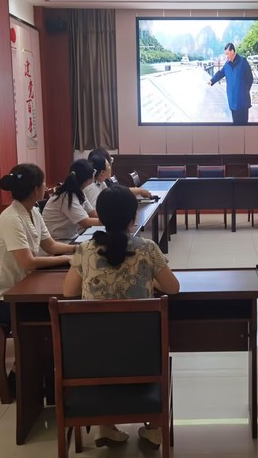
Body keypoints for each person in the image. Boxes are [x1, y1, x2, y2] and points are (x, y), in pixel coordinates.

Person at [63, 185, 180, 448]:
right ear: (133, 218)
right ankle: (153, 429)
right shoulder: (147, 249)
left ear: (101, 218)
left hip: (91, 361)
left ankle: (105, 425)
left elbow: (68, 291)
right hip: (143, 359)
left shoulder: (85, 250)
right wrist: (149, 279)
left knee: (104, 339)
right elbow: (173, 287)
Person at [0, 164, 76, 326]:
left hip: (19, 288)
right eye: (43, 184)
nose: (46, 187)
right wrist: (67, 259)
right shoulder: (11, 219)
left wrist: (78, 249)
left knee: (64, 305)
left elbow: (50, 246)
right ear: (36, 189)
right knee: (60, 311)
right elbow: (28, 262)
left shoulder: (33, 210)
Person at [42, 159, 101, 241]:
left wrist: (111, 218)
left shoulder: (78, 192)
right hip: (58, 241)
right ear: (88, 181)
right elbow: (85, 222)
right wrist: (112, 222)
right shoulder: (66, 196)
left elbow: (92, 213)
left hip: (70, 237)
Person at [208, 42, 253, 125]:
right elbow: (221, 73)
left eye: (227, 54)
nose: (226, 56)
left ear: (232, 51)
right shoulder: (227, 64)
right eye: (225, 54)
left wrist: (244, 91)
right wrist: (212, 81)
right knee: (235, 125)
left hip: (242, 101)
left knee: (244, 126)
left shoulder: (243, 62)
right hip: (232, 101)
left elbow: (250, 78)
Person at [87, 147, 152, 198]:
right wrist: (139, 191)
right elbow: (118, 191)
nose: (111, 165)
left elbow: (118, 191)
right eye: (109, 163)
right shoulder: (92, 187)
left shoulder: (103, 183)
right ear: (102, 170)